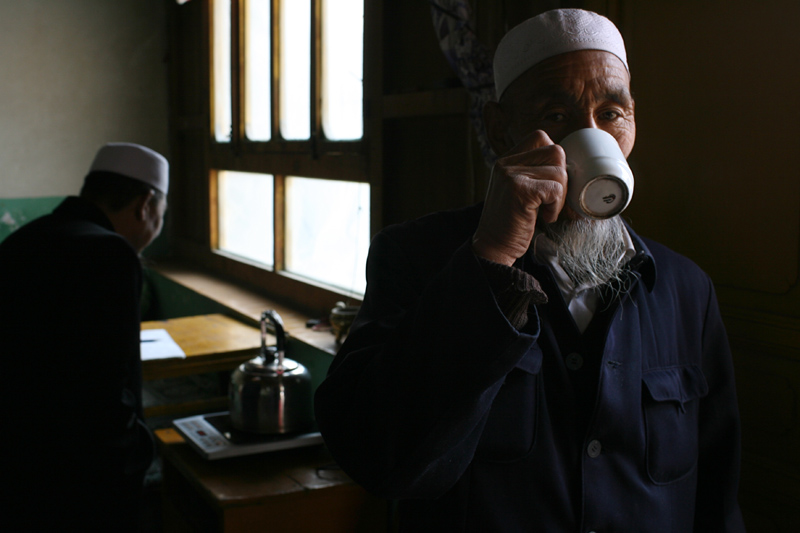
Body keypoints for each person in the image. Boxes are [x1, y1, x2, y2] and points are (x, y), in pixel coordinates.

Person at [315, 9, 745, 532]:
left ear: (632, 121)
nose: (592, 137)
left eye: (612, 113)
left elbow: (717, 501)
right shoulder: (416, 258)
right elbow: (379, 460)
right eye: (557, 116)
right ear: (500, 129)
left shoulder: (686, 290)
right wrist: (491, 256)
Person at [0, 143, 168, 531]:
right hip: (75, 481)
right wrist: (140, 453)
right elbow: (103, 394)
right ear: (145, 204)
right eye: (162, 213)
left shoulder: (27, 237)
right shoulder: (109, 253)